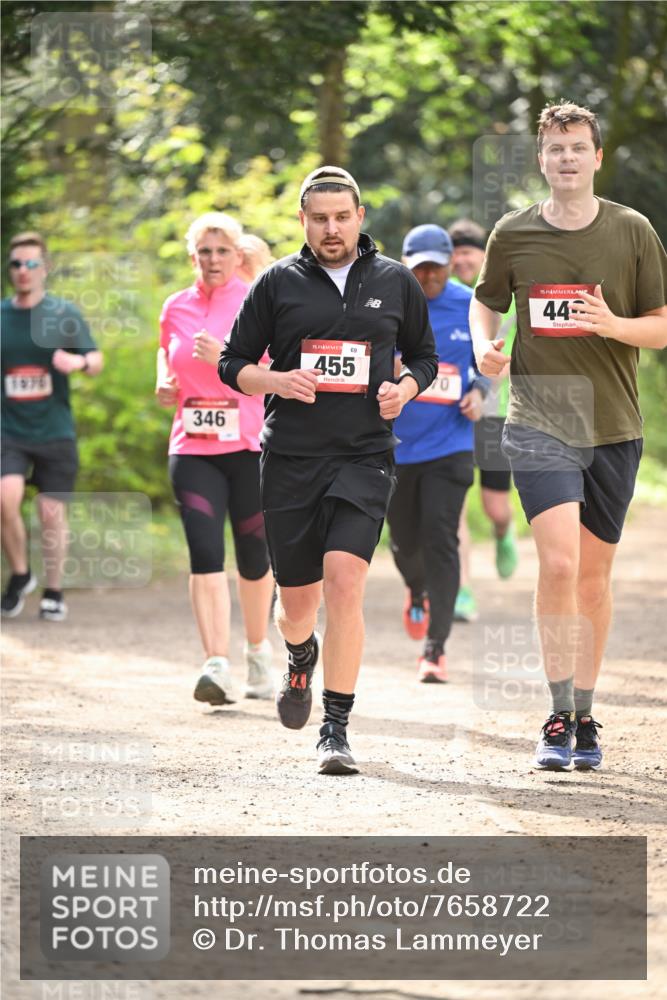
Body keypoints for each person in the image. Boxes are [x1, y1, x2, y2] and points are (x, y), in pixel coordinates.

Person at [219, 166, 438, 775]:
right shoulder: (276, 283)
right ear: (303, 221)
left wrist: (406, 388)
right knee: (297, 604)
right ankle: (298, 654)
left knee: (345, 582)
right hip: (290, 457)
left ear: (360, 217)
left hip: (365, 454)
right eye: (320, 218)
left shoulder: (394, 281)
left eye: (342, 217)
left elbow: (423, 356)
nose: (332, 228)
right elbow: (233, 362)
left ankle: (335, 728)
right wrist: (276, 380)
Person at [471, 101, 667, 771]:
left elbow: (661, 325)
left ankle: (585, 713)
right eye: (554, 149)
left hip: (612, 424)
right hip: (539, 415)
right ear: (540, 158)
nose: (565, 158)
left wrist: (612, 324)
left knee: (591, 578)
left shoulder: (631, 231)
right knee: (557, 564)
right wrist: (482, 350)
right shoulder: (512, 234)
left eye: (577, 147)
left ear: (595, 157)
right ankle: (556, 716)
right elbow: (484, 301)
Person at [156, 212, 275, 706]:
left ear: (237, 254)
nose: (212, 260)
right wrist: (163, 379)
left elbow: (276, 369)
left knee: (252, 558)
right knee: (204, 553)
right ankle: (215, 664)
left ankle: (256, 651)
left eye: (222, 251)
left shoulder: (256, 299)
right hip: (193, 448)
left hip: (248, 447)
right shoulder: (175, 306)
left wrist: (225, 357)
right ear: (193, 258)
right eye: (204, 252)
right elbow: (167, 350)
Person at [388, 224, 488, 682]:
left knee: (440, 538)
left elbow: (491, 361)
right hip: (394, 446)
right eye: (419, 267)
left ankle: (435, 649)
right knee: (405, 542)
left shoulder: (470, 304)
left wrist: (481, 391)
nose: (428, 275)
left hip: (450, 443)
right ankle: (415, 589)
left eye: (436, 266)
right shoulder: (389, 304)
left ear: (451, 263)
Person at [1, 232, 103, 622]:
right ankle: (21, 574)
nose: (23, 271)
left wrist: (77, 363)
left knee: (50, 513)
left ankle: (54, 590)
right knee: (4, 497)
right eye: (16, 264)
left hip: (54, 429)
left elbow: (95, 359)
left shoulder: (62, 314)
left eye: (31, 264)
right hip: (8, 428)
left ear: (43, 269)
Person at [449, 219, 519, 624]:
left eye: (468, 252)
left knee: (495, 506)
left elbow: (507, 360)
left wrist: (483, 389)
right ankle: (462, 590)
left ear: (484, 256)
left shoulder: (502, 300)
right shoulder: (442, 298)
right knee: (454, 506)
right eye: (455, 252)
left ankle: (502, 531)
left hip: (493, 416)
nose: (460, 259)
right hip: (450, 416)